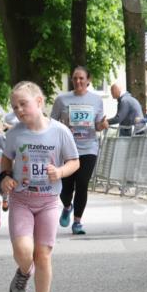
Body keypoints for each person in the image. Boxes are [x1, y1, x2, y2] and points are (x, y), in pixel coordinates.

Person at [1, 81, 80, 292]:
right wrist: (5, 177)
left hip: (48, 201)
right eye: (15, 106)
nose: (18, 110)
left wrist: (60, 172)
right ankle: (25, 271)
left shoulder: (60, 131)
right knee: (23, 251)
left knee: (43, 254)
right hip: (22, 200)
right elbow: (6, 161)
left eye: (23, 104)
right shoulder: (14, 134)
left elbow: (74, 161)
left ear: (39, 102)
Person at [50, 66, 107, 235]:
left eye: (81, 78)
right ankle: (67, 206)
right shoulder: (62, 100)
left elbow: (98, 125)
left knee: (82, 184)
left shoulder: (96, 100)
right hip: (67, 149)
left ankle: (77, 222)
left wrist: (102, 125)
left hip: (89, 148)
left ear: (88, 80)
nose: (78, 81)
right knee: (65, 187)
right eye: (75, 78)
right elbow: (52, 123)